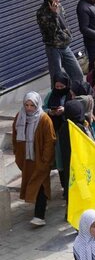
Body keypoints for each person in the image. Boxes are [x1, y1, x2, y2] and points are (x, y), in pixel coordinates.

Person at [12, 92, 56, 226]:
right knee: (33, 182)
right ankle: (39, 211)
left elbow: (50, 141)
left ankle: (39, 216)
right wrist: (17, 153)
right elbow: (15, 137)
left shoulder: (44, 119)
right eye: (27, 105)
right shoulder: (20, 117)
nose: (29, 108)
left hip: (40, 159)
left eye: (32, 105)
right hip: (27, 159)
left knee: (41, 184)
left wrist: (45, 160)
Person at [36, 0, 84, 85]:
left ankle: (77, 93)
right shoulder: (41, 13)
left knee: (77, 74)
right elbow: (52, 32)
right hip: (53, 48)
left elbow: (64, 23)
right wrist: (54, 15)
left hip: (65, 45)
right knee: (57, 78)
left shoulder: (59, 7)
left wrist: (68, 35)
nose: (57, 0)